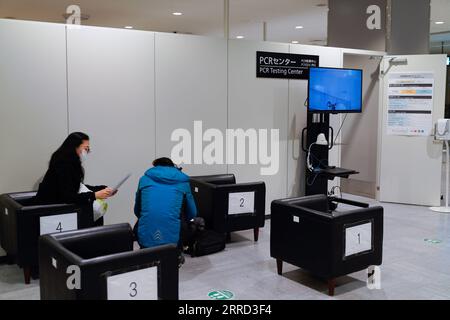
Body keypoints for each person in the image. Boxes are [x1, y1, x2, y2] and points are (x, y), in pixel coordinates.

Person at [35, 132, 116, 226]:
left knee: (95, 210)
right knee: (93, 210)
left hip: (62, 205)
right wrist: (94, 195)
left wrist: (101, 189)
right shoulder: (63, 165)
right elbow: (68, 196)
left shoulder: (71, 164)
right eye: (86, 149)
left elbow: (76, 186)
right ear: (74, 147)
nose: (88, 151)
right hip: (52, 210)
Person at [134, 157, 197, 250]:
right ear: (173, 167)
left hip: (145, 237)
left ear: (155, 167)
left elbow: (137, 210)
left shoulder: (144, 179)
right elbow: (192, 213)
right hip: (173, 238)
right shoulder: (183, 182)